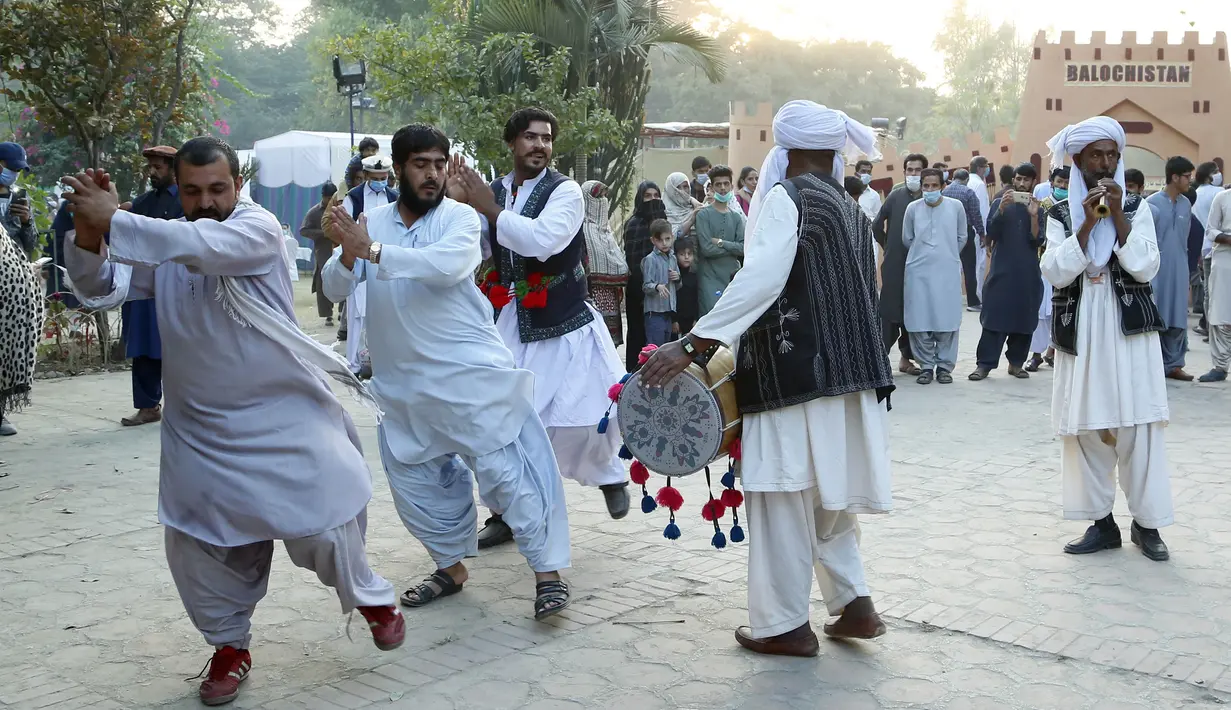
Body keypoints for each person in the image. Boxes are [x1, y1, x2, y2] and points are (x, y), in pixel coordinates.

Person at [62, 137, 404, 706]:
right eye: (191, 191)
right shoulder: (173, 243)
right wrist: (93, 233)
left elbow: (195, 244)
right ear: (180, 190)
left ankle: (369, 596)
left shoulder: (258, 230)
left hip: (282, 415)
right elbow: (102, 289)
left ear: (237, 186)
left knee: (321, 521)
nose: (204, 201)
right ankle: (229, 646)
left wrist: (117, 218)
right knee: (201, 545)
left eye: (217, 188)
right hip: (199, 429)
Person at [640, 100, 892, 657]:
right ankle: (855, 606)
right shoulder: (850, 208)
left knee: (779, 498)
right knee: (830, 501)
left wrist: (694, 343)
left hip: (796, 379)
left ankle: (783, 626)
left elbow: (761, 277)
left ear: (788, 150)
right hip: (847, 379)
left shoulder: (788, 196)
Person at [321, 123, 573, 620]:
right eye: (421, 164)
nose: (433, 174)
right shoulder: (370, 220)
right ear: (398, 169)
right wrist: (349, 252)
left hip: (468, 378)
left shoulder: (459, 218)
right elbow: (333, 288)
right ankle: (450, 568)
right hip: (403, 387)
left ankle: (548, 576)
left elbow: (447, 267)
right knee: (418, 487)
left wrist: (369, 250)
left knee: (510, 478)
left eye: (439, 164)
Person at [452, 107, 631, 540]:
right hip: (511, 320)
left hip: (565, 319)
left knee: (585, 413)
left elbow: (544, 243)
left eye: (546, 139)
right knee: (500, 417)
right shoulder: (491, 191)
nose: (540, 146)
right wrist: (455, 205)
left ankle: (609, 474)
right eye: (530, 137)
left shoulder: (565, 192)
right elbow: (471, 245)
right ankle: (503, 511)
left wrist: (489, 209)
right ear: (512, 143)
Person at [1041, 116, 1172, 562]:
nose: (1106, 163)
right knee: (1087, 428)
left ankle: (1147, 524)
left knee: (1138, 426)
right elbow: (1055, 271)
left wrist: (1116, 215)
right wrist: (1085, 226)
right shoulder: (1059, 212)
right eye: (1096, 155)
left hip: (1129, 331)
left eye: (1112, 155)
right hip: (1082, 332)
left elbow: (1146, 267)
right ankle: (1101, 524)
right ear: (1078, 161)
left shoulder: (1138, 208)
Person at [109, 146, 183, 428]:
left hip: (176, 287)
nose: (152, 172)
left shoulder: (188, 203)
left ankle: (188, 404)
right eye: (150, 167)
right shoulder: (141, 203)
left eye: (158, 167)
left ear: (174, 169)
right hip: (142, 287)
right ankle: (148, 406)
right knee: (142, 347)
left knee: (181, 347)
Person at [970, 164, 1045, 381]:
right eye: (1019, 179)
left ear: (1033, 182)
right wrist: (1001, 210)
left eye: (1027, 180)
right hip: (1002, 272)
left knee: (1024, 319)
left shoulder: (1038, 208)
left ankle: (1016, 364)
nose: (1022, 184)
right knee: (995, 318)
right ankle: (984, 365)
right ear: (1013, 179)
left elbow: (1038, 240)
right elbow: (990, 235)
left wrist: (1032, 216)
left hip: (1027, 273)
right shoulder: (998, 204)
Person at [902, 168, 967, 385]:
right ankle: (926, 366)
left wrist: (944, 255)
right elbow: (907, 238)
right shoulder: (912, 208)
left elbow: (962, 237)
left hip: (947, 270)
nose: (930, 190)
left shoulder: (955, 207)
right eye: (926, 186)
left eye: (934, 186)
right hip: (918, 271)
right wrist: (924, 255)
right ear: (921, 186)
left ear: (943, 186)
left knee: (946, 318)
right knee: (920, 318)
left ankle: (945, 368)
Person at [341, 154, 399, 378]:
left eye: (383, 177)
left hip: (385, 259)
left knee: (385, 310)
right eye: (375, 178)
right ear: (365, 176)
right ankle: (353, 365)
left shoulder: (395, 197)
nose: (380, 181)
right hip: (360, 261)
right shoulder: (354, 198)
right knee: (357, 313)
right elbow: (345, 226)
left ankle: (383, 361)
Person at [873, 153, 928, 376]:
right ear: (904, 172)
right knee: (889, 311)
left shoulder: (930, 198)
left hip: (922, 265)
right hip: (895, 263)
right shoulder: (895, 197)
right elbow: (877, 224)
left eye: (918, 170)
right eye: (910, 170)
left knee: (913, 312)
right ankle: (878, 360)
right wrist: (888, 245)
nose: (913, 174)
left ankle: (907, 359)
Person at [0, 141, 40, 438]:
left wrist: (26, 222)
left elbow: (31, 243)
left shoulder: (19, 199)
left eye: (18, 171)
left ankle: (0, 413)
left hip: (12, 289)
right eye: (11, 168)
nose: (14, 175)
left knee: (7, 350)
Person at [1147, 156, 1196, 381]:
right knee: (1157, 313)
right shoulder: (1152, 204)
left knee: (1177, 315)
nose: (1189, 181)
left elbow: (1184, 240)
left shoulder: (1187, 204)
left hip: (1179, 268)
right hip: (1157, 269)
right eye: (1187, 176)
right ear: (1174, 177)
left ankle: (1175, 364)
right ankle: (1153, 364)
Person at [1027, 167, 1070, 372]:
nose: (1063, 186)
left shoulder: (1077, 207)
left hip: (1068, 266)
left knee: (1060, 310)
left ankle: (1053, 351)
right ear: (1051, 182)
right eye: (1060, 182)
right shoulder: (1042, 207)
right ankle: (1036, 355)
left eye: (1067, 183)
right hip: (1044, 264)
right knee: (1041, 311)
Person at [622, 181, 667, 371]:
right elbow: (634, 261)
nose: (652, 200)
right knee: (639, 337)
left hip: (663, 292)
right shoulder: (634, 223)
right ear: (640, 199)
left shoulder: (665, 222)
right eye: (647, 196)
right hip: (639, 292)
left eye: (656, 196)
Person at [580, 180, 628, 346]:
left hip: (610, 295)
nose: (603, 201)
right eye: (598, 196)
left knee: (609, 344)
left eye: (604, 196)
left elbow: (618, 262)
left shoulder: (606, 230)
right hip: (590, 294)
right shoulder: (581, 228)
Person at [696, 165, 746, 316]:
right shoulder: (703, 215)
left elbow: (743, 248)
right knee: (711, 320)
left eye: (726, 184)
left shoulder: (736, 217)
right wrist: (732, 249)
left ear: (731, 186)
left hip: (732, 277)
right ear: (711, 187)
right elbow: (706, 249)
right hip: (709, 277)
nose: (723, 188)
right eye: (718, 184)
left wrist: (721, 242)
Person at [943, 169, 987, 311]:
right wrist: (981, 233)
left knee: (949, 267)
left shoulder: (944, 192)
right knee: (969, 268)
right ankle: (972, 302)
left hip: (947, 233)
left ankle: (948, 300)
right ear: (966, 179)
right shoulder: (968, 192)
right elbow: (975, 215)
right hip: (965, 233)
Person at [1200, 188, 1231, 382]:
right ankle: (1220, 366)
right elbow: (1210, 230)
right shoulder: (1223, 197)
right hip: (1225, 259)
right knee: (1220, 312)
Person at [301, 182, 339, 327]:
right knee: (323, 281)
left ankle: (343, 312)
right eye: (327, 198)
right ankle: (327, 314)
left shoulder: (343, 208)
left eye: (332, 198)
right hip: (323, 251)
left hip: (341, 249)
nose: (330, 201)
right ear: (323, 197)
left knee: (344, 277)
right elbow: (304, 230)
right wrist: (324, 233)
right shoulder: (314, 212)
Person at [641, 219, 678, 346]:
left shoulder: (673, 258)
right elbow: (646, 286)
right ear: (653, 240)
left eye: (667, 239)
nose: (664, 243)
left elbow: (678, 285)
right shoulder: (650, 259)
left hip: (668, 312)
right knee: (654, 349)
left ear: (672, 237)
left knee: (665, 349)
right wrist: (657, 287)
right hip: (654, 313)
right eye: (660, 240)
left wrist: (677, 278)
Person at [968, 156, 993, 301]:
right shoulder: (979, 184)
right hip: (978, 229)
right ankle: (978, 295)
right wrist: (984, 233)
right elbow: (983, 211)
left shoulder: (968, 181)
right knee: (980, 262)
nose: (987, 169)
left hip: (968, 228)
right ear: (979, 168)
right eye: (986, 166)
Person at [664, 171, 701, 240]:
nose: (682, 191)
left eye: (685, 187)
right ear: (670, 189)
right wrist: (691, 219)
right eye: (678, 187)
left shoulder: (694, 206)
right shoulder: (663, 210)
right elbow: (670, 237)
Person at [674, 238, 699, 336]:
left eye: (690, 254)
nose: (686, 257)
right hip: (676, 322)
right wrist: (674, 320)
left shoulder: (694, 276)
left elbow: (696, 299)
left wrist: (696, 318)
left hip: (690, 321)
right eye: (682, 254)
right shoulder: (674, 276)